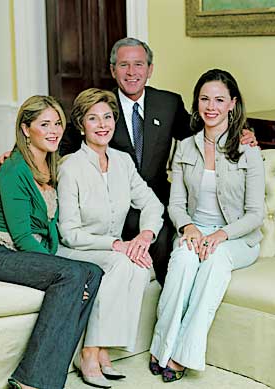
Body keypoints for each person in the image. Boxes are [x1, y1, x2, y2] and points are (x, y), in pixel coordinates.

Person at [59, 37, 257, 286]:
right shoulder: (101, 108)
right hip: (114, 207)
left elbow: (201, 131)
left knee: (164, 237)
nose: (132, 72)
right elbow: (59, 141)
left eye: (139, 64)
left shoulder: (168, 103)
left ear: (150, 69)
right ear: (112, 70)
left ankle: (165, 299)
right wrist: (15, 155)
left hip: (157, 201)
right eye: (123, 65)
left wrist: (242, 132)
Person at [0, 95, 103, 389]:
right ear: (25, 128)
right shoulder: (14, 169)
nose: (53, 130)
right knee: (71, 274)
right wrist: (60, 268)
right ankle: (34, 381)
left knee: (92, 272)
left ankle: (41, 375)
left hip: (19, 254)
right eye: (44, 124)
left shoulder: (52, 164)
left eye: (57, 123)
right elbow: (21, 236)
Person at [149, 69, 265, 383]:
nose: (210, 106)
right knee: (184, 261)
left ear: (232, 104)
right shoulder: (186, 146)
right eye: (204, 99)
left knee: (213, 262)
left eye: (219, 99)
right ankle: (161, 346)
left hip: (236, 237)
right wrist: (188, 228)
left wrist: (220, 235)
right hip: (195, 230)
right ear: (196, 103)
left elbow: (256, 214)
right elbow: (175, 204)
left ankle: (181, 355)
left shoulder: (248, 149)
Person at [56, 88, 164, 388]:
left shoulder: (123, 161)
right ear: (81, 125)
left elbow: (153, 204)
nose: (102, 124)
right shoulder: (70, 167)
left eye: (107, 117)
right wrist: (117, 245)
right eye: (93, 118)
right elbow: (69, 233)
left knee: (140, 265)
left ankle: (104, 349)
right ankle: (90, 352)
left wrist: (144, 235)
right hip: (75, 250)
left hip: (111, 250)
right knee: (121, 263)